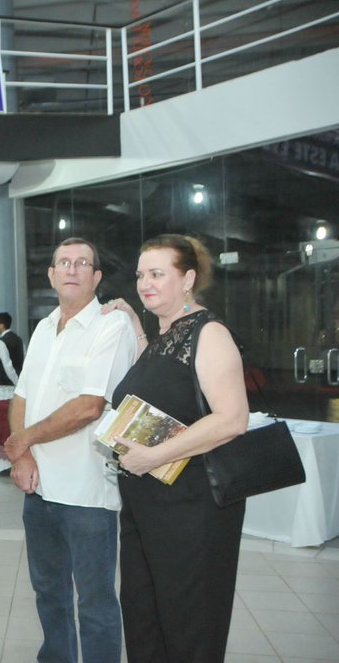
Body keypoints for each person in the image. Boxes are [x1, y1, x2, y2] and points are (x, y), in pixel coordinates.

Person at [103, 234, 249, 662]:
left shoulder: (209, 333)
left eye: (157, 274)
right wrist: (135, 326)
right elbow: (166, 388)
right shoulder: (165, 336)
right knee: (146, 617)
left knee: (189, 623)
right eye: (140, 275)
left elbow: (232, 419)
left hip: (193, 510)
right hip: (148, 506)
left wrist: (154, 455)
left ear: (187, 279)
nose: (145, 283)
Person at [2, 237, 137, 663]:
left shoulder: (110, 326)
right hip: (38, 488)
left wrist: (22, 439)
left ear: (96, 276)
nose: (72, 269)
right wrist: (22, 455)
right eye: (64, 262)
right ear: (52, 275)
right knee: (48, 593)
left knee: (95, 603)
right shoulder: (44, 328)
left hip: (86, 493)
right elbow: (21, 396)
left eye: (82, 263)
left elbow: (88, 406)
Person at [0, 312, 24, 386]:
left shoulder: (1, 342)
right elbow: (24, 358)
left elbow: (7, 365)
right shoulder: (18, 339)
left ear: (2, 325)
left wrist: (17, 382)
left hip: (7, 384)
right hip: (20, 380)